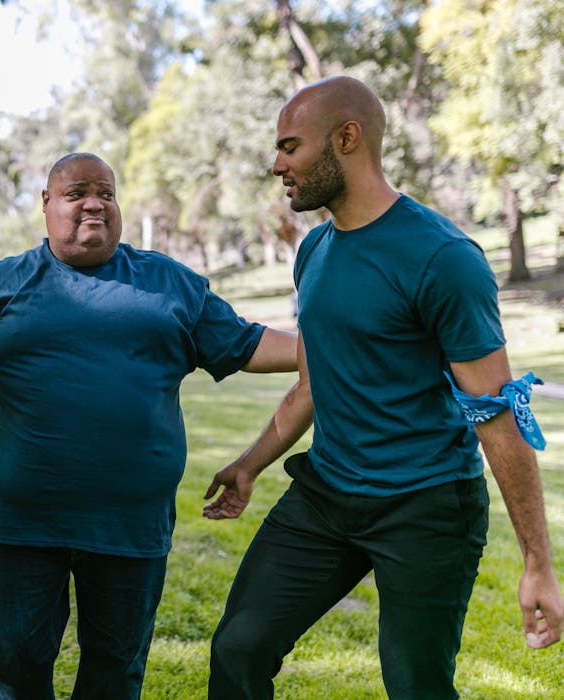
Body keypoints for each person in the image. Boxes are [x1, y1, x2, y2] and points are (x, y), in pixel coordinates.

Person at [0, 152, 298, 699]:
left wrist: (338, 341)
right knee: (13, 652)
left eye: (106, 192)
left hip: (131, 526)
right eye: (77, 192)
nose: (94, 204)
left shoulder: (169, 285)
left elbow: (251, 346)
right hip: (27, 523)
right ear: (47, 204)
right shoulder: (0, 284)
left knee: (115, 665)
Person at [203, 75, 563, 699]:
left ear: (347, 138)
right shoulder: (313, 251)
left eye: (290, 146)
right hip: (327, 495)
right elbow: (312, 387)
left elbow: (496, 415)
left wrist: (538, 562)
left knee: (416, 686)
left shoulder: (441, 257)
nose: (277, 164)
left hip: (425, 507)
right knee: (238, 648)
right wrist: (249, 465)